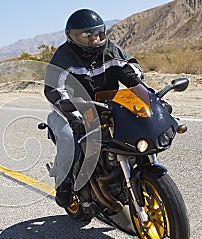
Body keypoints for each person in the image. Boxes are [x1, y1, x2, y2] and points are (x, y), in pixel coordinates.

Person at [44, 9, 146, 208]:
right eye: (87, 34)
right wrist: (72, 114)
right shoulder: (64, 56)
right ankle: (64, 185)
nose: (94, 38)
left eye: (97, 32)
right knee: (68, 137)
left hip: (106, 106)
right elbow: (53, 89)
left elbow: (130, 73)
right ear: (72, 36)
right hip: (70, 110)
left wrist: (149, 96)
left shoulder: (109, 50)